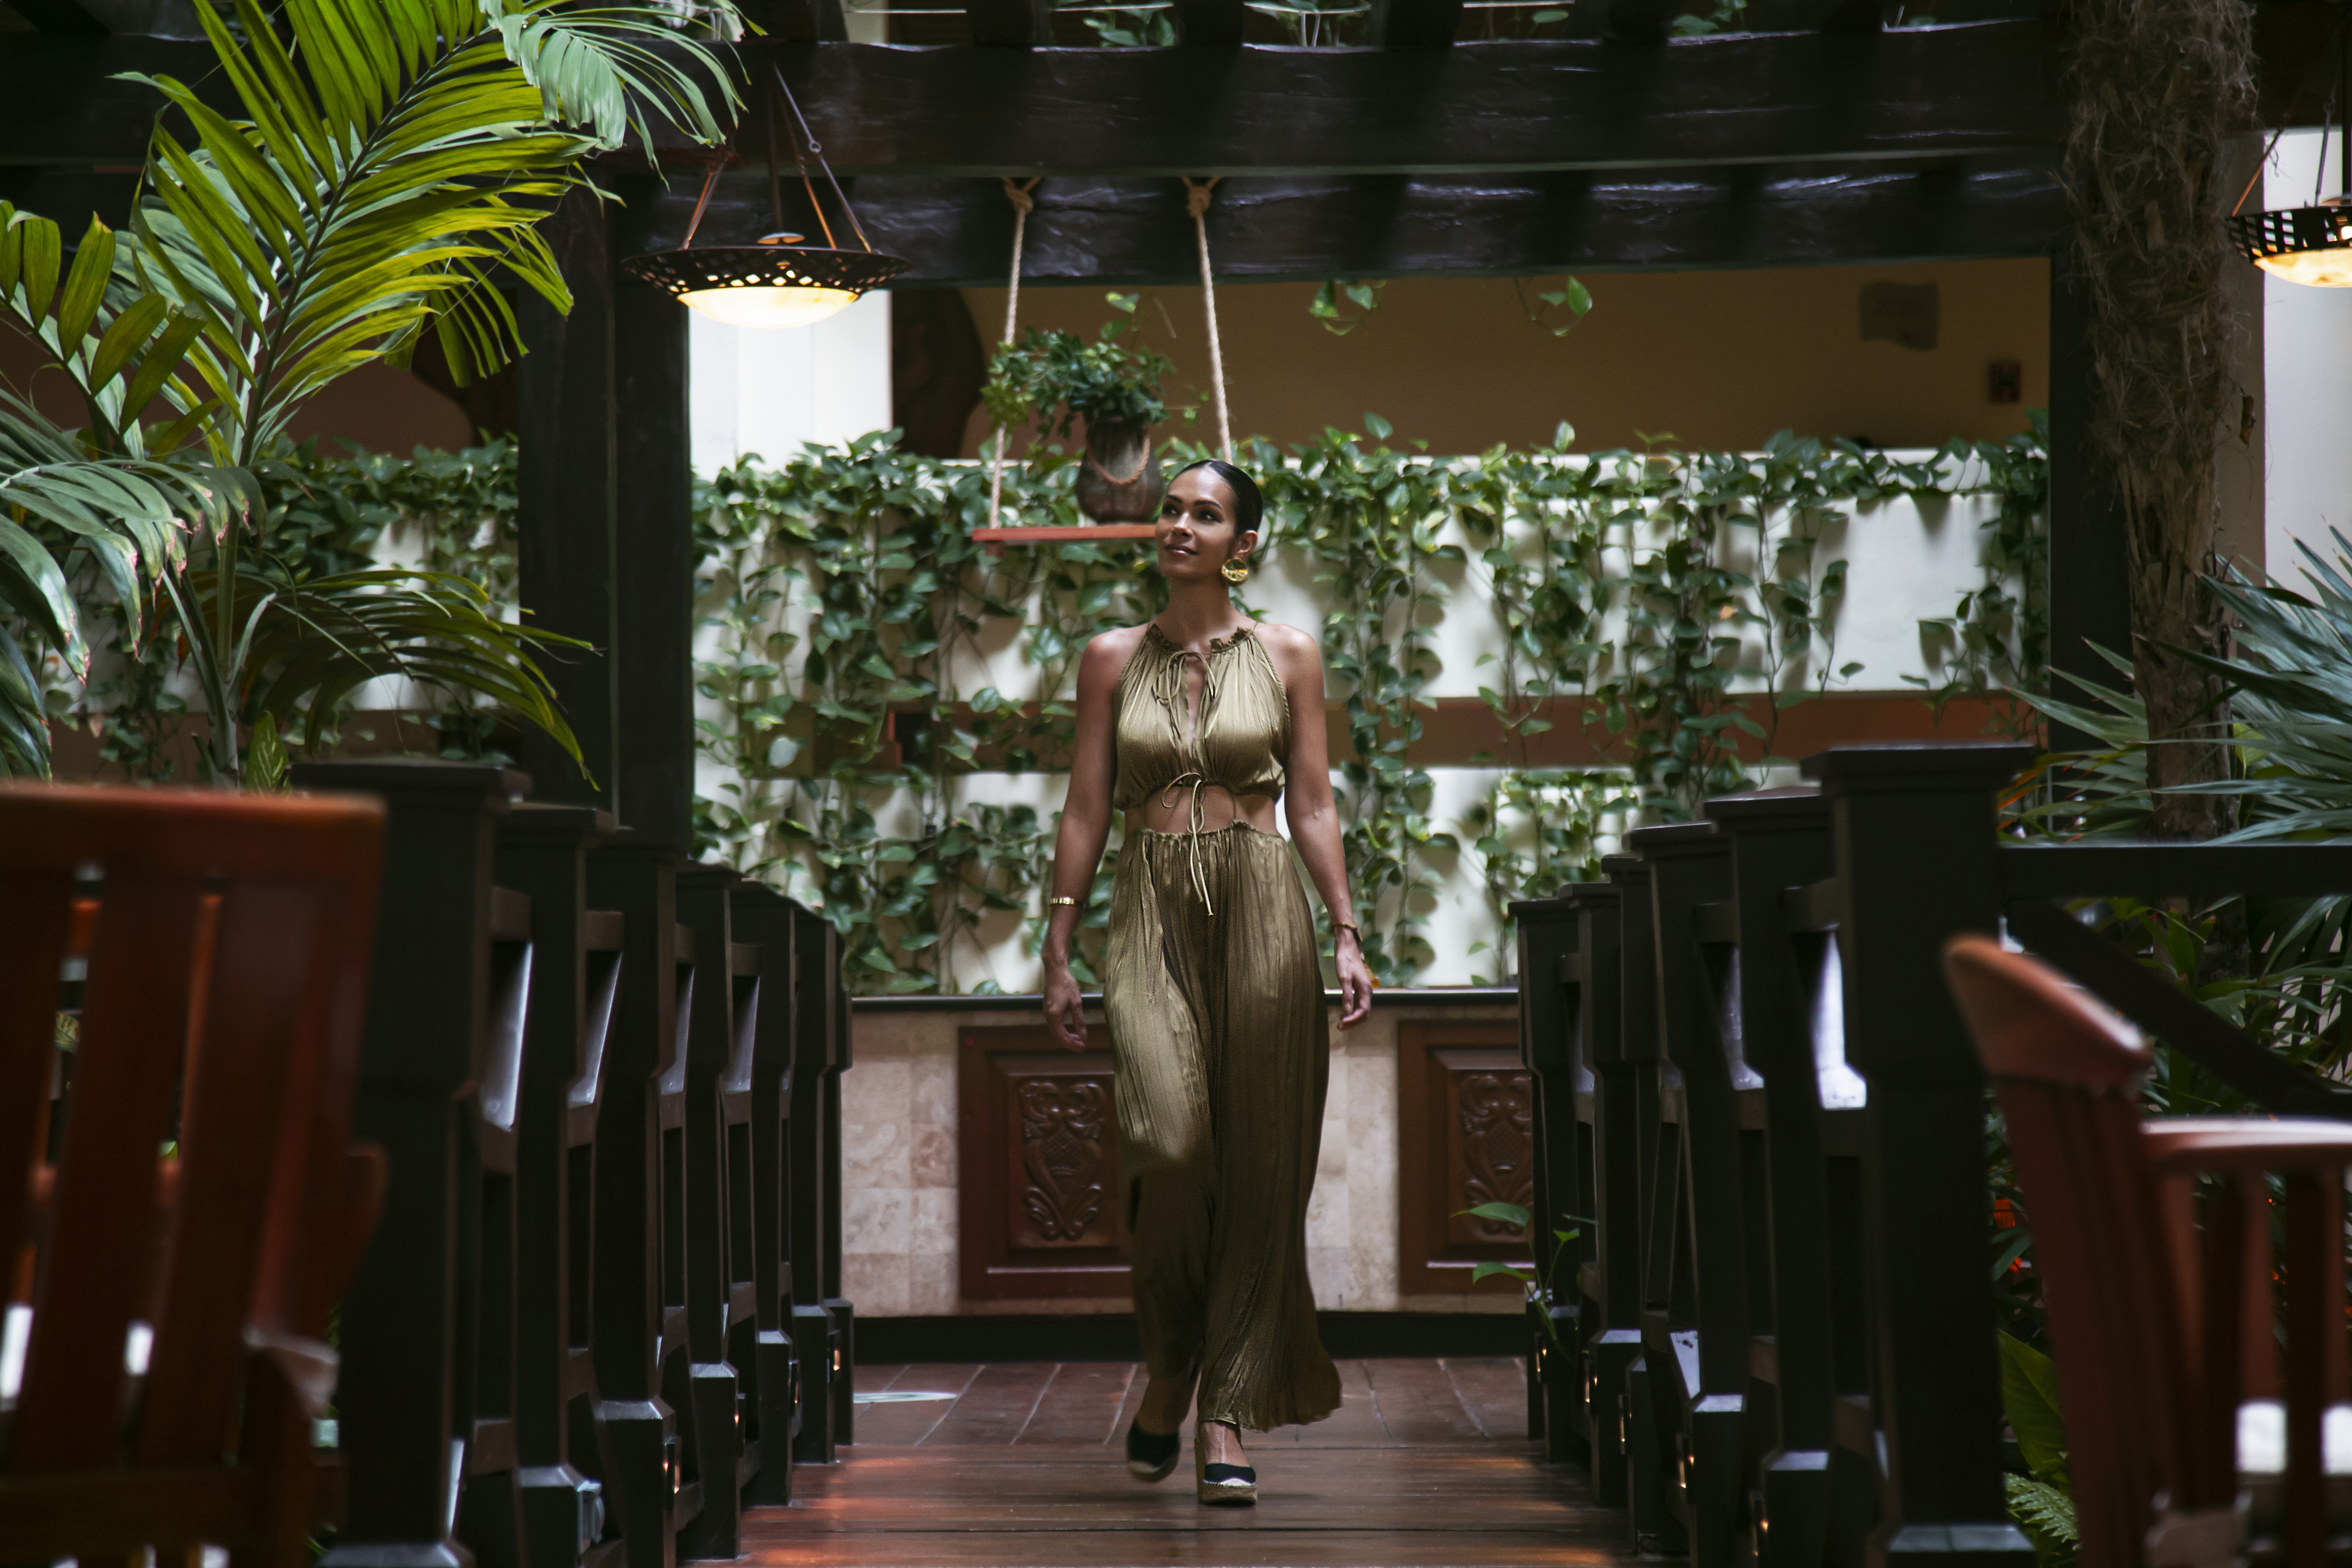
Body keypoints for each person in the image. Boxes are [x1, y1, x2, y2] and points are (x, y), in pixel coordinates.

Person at [1040, 457, 1377, 1507]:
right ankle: (1172, 1363)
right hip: (1149, 906)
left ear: (1244, 544)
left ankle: (1222, 1412)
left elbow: (1312, 803)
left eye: (1205, 514)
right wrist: (1057, 942)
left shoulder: (1290, 654)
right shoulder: (1109, 658)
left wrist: (1347, 930)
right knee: (1173, 1148)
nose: (1178, 524)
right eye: (1172, 510)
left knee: (1261, 1164)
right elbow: (1086, 807)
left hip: (1264, 904)